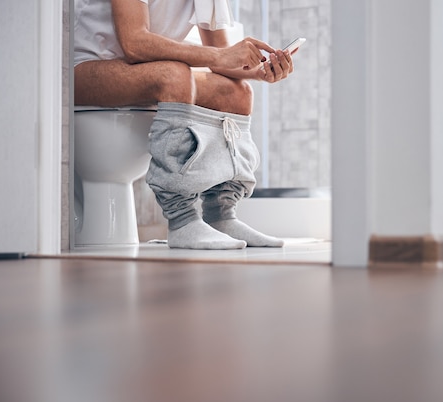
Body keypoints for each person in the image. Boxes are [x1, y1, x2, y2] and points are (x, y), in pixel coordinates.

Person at [74, 0, 296, 249]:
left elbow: (222, 59)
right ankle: (182, 220)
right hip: (84, 69)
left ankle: (220, 215)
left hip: (141, 73)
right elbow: (134, 43)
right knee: (174, 75)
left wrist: (259, 71)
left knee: (236, 92)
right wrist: (221, 55)